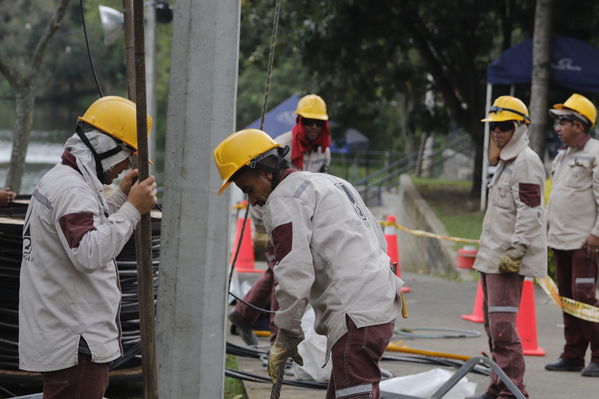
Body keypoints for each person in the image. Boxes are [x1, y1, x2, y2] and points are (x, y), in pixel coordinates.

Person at [214, 129, 406, 399]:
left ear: (266, 172)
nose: (252, 201)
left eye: (249, 189)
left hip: (356, 316)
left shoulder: (284, 201)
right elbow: (376, 239)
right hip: (379, 306)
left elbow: (293, 273)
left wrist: (285, 335)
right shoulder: (331, 183)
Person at [18, 96, 157, 399]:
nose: (124, 167)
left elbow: (81, 228)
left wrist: (120, 199)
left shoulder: (64, 180)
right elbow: (88, 252)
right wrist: (133, 209)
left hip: (67, 336)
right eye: (126, 155)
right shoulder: (72, 189)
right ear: (105, 147)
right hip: (75, 341)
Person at [228, 94, 332, 346]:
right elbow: (258, 188)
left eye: (318, 123)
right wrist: (264, 227)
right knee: (283, 275)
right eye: (308, 122)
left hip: (301, 217)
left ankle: (243, 314)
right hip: (272, 215)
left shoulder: (323, 153)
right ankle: (278, 341)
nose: (313, 128)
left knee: (275, 271)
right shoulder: (279, 146)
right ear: (299, 121)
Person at [469, 96, 547, 399]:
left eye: (503, 126)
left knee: (503, 328)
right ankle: (499, 383)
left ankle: (514, 390)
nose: (497, 133)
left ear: (518, 127)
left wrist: (516, 251)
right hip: (491, 258)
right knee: (493, 327)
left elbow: (530, 212)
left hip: (506, 259)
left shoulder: (526, 162)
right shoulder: (505, 162)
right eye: (494, 127)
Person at [545, 93, 599, 377]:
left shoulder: (597, 152)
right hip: (560, 239)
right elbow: (556, 197)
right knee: (566, 297)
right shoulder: (563, 155)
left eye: (563, 122)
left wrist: (596, 234)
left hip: (585, 242)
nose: (558, 128)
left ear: (579, 124)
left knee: (584, 296)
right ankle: (573, 355)